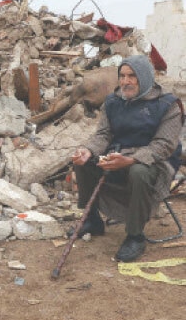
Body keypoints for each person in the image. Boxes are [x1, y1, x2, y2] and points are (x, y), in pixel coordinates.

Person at [70, 55, 183, 262]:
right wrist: (88, 150)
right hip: (119, 156)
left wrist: (132, 159)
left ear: (145, 77)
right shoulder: (113, 101)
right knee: (84, 161)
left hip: (155, 161)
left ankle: (135, 235)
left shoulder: (168, 105)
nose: (125, 81)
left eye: (132, 76)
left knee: (138, 171)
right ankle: (92, 220)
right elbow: (103, 135)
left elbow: (164, 145)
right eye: (122, 76)